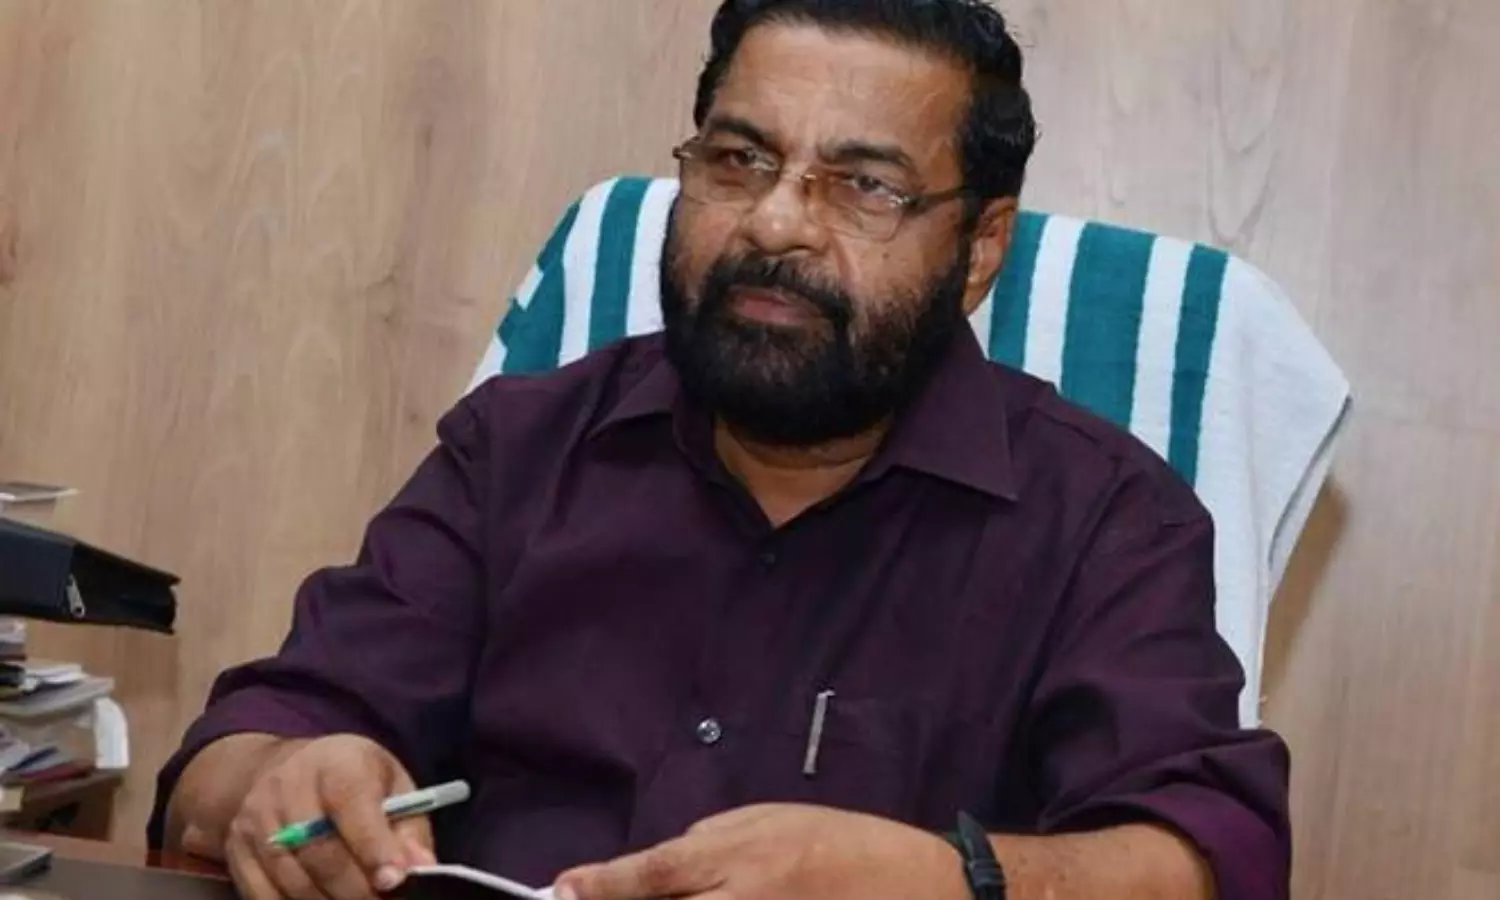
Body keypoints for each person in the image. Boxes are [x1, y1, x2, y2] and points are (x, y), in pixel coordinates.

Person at [152, 2, 1290, 899]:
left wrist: (949, 879)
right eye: (739, 160)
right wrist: (279, 781)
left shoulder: (1104, 518)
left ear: (980, 247)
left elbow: (1208, 852)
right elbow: (235, 753)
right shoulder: (520, 449)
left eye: (865, 187)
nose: (776, 222)